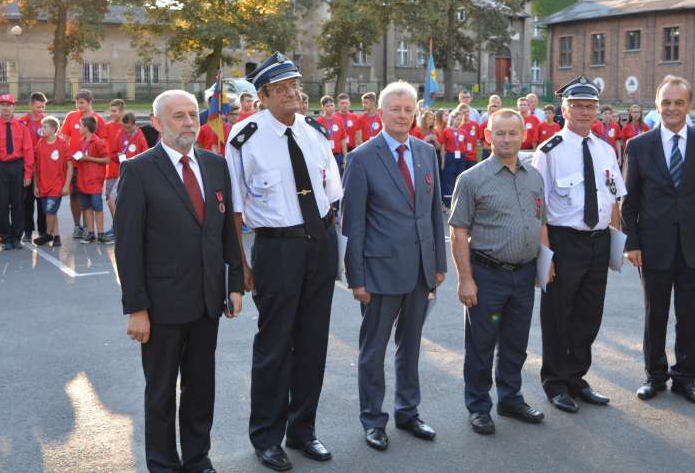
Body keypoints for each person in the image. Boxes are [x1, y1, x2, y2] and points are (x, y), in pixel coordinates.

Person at [115, 89, 243, 473]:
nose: (189, 122)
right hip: (161, 307)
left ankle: (197, 459)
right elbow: (128, 247)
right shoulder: (138, 171)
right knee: (160, 394)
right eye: (178, 116)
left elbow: (225, 232)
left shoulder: (216, 165)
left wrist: (234, 282)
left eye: (192, 114)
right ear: (156, 124)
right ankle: (163, 464)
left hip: (207, 301)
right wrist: (136, 308)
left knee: (200, 389)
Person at [226, 52, 342, 471]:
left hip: (319, 244)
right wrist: (242, 266)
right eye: (283, 88)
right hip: (277, 249)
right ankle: (267, 438)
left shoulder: (314, 131)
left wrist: (332, 245)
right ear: (264, 95)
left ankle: (303, 429)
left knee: (313, 343)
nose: (295, 93)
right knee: (274, 347)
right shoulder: (244, 137)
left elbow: (332, 194)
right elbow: (235, 212)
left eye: (296, 84)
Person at [342, 80, 447, 452]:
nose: (403, 116)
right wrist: (356, 278)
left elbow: (434, 213)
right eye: (395, 109)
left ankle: (408, 411)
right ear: (380, 113)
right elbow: (352, 224)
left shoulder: (425, 151)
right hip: (379, 273)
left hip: (420, 270)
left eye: (409, 110)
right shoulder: (362, 158)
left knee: (412, 345)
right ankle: (373, 419)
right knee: (374, 351)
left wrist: (438, 264)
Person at [622, 76, 695, 406]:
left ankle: (685, 379)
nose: (672, 108)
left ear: (689, 106)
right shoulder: (638, 146)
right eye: (666, 102)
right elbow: (630, 202)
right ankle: (655, 375)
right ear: (657, 105)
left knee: (690, 315)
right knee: (656, 314)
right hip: (653, 246)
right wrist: (631, 243)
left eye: (679, 102)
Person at [449, 109, 548, 436]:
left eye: (513, 133)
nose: (507, 139)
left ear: (524, 135)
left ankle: (510, 398)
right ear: (487, 135)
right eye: (500, 133)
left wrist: (546, 262)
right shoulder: (472, 179)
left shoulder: (534, 176)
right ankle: (478, 406)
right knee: (481, 345)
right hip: (487, 275)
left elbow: (540, 221)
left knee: (516, 342)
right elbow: (459, 231)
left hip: (524, 275)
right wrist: (465, 279)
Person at [531, 76, 625, 413]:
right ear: (564, 110)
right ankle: (555, 382)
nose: (585, 112)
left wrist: (615, 244)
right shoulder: (549, 151)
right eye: (578, 106)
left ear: (597, 110)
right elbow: (538, 209)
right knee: (559, 314)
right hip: (564, 242)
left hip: (598, 242)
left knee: (589, 314)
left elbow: (615, 199)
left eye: (590, 106)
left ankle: (576, 377)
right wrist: (546, 255)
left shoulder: (605, 149)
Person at [0, 94, 34, 250]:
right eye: (3, 105)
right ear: (0, 107)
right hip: (0, 168)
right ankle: (5, 238)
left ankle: (17, 236)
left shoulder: (22, 127)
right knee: (1, 204)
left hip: (17, 167)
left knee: (18, 203)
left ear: (14, 107)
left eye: (8, 105)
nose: (5, 108)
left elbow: (28, 151)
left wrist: (27, 173)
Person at [59, 89, 108, 238]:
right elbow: (63, 137)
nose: (79, 106)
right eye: (76, 102)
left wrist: (89, 157)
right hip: (73, 164)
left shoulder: (97, 119)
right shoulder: (71, 116)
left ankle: (89, 227)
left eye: (82, 103)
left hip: (90, 167)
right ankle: (77, 226)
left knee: (91, 197)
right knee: (75, 196)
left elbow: (102, 142)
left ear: (90, 102)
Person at [32, 116, 72, 247]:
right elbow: (36, 166)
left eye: (45, 127)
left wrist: (66, 185)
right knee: (50, 211)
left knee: (50, 210)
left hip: (57, 184)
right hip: (43, 185)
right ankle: (57, 236)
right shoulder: (40, 143)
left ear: (53, 129)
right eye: (41, 127)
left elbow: (70, 166)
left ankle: (48, 235)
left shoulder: (62, 144)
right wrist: (36, 185)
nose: (42, 129)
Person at [106, 112, 149, 224]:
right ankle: (117, 224)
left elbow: (146, 156)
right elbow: (112, 154)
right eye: (124, 127)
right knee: (111, 198)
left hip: (136, 174)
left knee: (133, 202)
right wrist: (118, 156)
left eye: (128, 127)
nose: (126, 130)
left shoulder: (140, 137)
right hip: (123, 173)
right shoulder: (120, 134)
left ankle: (132, 224)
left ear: (135, 124)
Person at [75, 116, 111, 244]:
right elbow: (82, 157)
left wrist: (88, 158)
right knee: (87, 207)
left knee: (97, 208)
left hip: (94, 180)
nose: (78, 127)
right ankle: (91, 233)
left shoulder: (98, 142)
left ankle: (100, 233)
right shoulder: (82, 141)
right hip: (83, 179)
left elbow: (106, 159)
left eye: (80, 125)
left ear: (86, 127)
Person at [18, 91, 48, 243]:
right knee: (27, 201)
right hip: (28, 166)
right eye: (38, 107)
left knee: (42, 201)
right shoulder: (23, 121)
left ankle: (43, 231)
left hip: (44, 166)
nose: (40, 110)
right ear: (30, 105)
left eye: (43, 107)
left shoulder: (46, 121)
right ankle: (28, 231)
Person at [104, 99, 126, 236]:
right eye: (110, 110)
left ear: (122, 111)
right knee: (109, 198)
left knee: (119, 199)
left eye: (114, 111)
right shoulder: (107, 127)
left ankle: (120, 227)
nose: (111, 113)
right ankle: (116, 225)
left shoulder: (126, 127)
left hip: (123, 169)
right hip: (110, 169)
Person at [441, 110, 466, 209]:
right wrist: (443, 161)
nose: (459, 121)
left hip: (461, 156)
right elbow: (443, 146)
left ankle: (457, 201)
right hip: (451, 156)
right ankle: (447, 203)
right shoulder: (447, 131)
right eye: (457, 119)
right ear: (452, 119)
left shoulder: (463, 131)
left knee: (459, 178)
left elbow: (463, 144)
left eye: (460, 119)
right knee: (449, 179)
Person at [318, 95, 348, 175]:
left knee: (339, 178)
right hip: (325, 156)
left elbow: (343, 139)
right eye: (327, 106)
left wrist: (345, 157)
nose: (330, 107)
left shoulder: (339, 120)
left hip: (338, 156)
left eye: (332, 105)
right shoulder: (319, 122)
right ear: (323, 107)